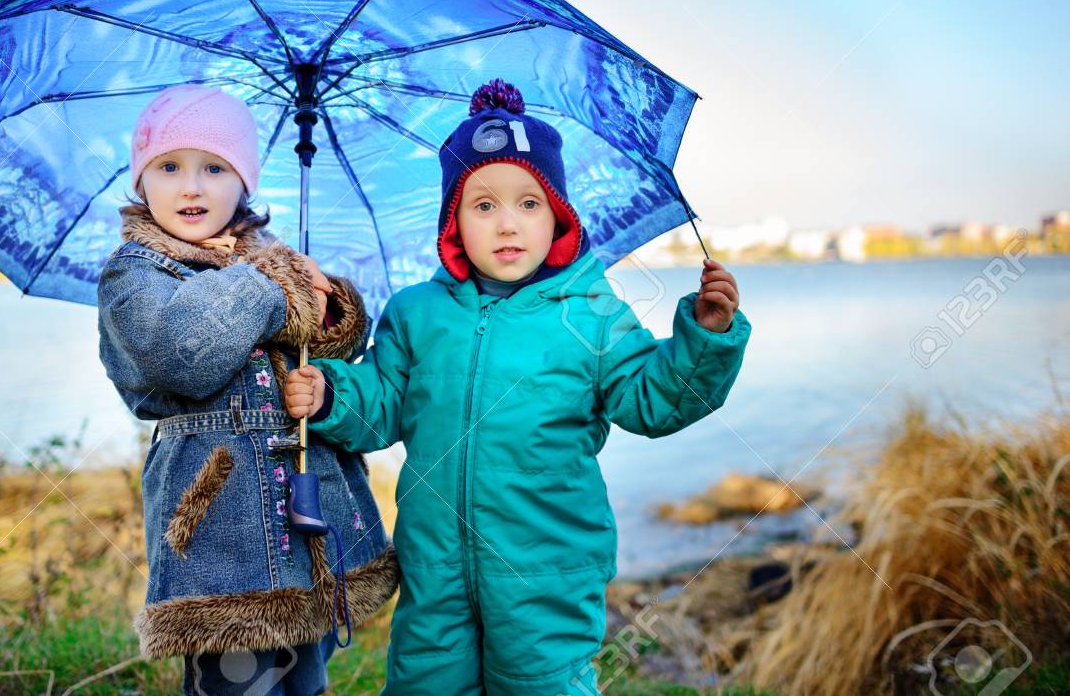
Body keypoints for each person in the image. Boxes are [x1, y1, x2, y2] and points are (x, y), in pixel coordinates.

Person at [283, 79, 752, 695]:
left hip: (547, 572)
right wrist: (330, 395)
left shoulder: (591, 315)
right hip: (434, 569)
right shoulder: (417, 313)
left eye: (529, 204)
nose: (508, 224)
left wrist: (704, 342)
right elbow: (382, 403)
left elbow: (653, 398)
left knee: (542, 685)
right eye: (483, 206)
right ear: (454, 221)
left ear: (558, 214)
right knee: (425, 684)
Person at [96, 84, 399, 695]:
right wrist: (270, 283)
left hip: (307, 519)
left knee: (305, 679)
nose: (192, 186)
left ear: (244, 183)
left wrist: (328, 305)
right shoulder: (134, 275)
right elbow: (181, 355)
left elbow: (339, 347)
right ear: (141, 181)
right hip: (217, 527)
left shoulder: (269, 258)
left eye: (215, 167)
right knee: (238, 681)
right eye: (169, 167)